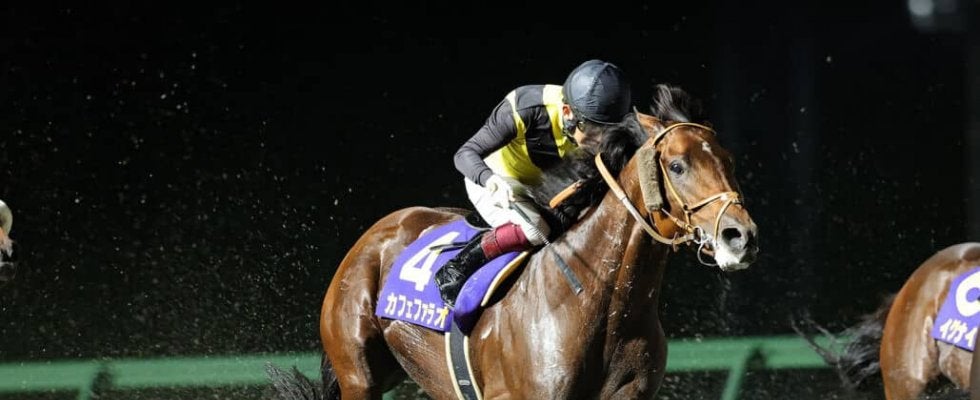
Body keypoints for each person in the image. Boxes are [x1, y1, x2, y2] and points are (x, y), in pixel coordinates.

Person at [434, 59, 632, 307]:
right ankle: (457, 268)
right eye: (593, 131)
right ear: (568, 113)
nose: (600, 141)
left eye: (607, 131)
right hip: (496, 180)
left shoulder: (596, 120)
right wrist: (490, 180)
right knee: (535, 230)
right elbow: (464, 154)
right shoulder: (524, 108)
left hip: (543, 187)